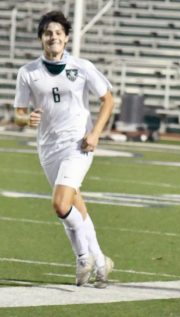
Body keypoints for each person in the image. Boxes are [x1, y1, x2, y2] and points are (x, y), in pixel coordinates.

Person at [14, 11, 114, 288]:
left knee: (60, 204)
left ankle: (83, 257)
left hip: (78, 143)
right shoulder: (28, 73)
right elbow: (19, 114)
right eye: (48, 33)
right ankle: (101, 261)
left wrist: (95, 133)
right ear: (40, 39)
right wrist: (26, 119)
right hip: (48, 147)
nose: (53, 37)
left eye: (58, 32)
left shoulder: (82, 66)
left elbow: (108, 100)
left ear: (67, 37)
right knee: (76, 207)